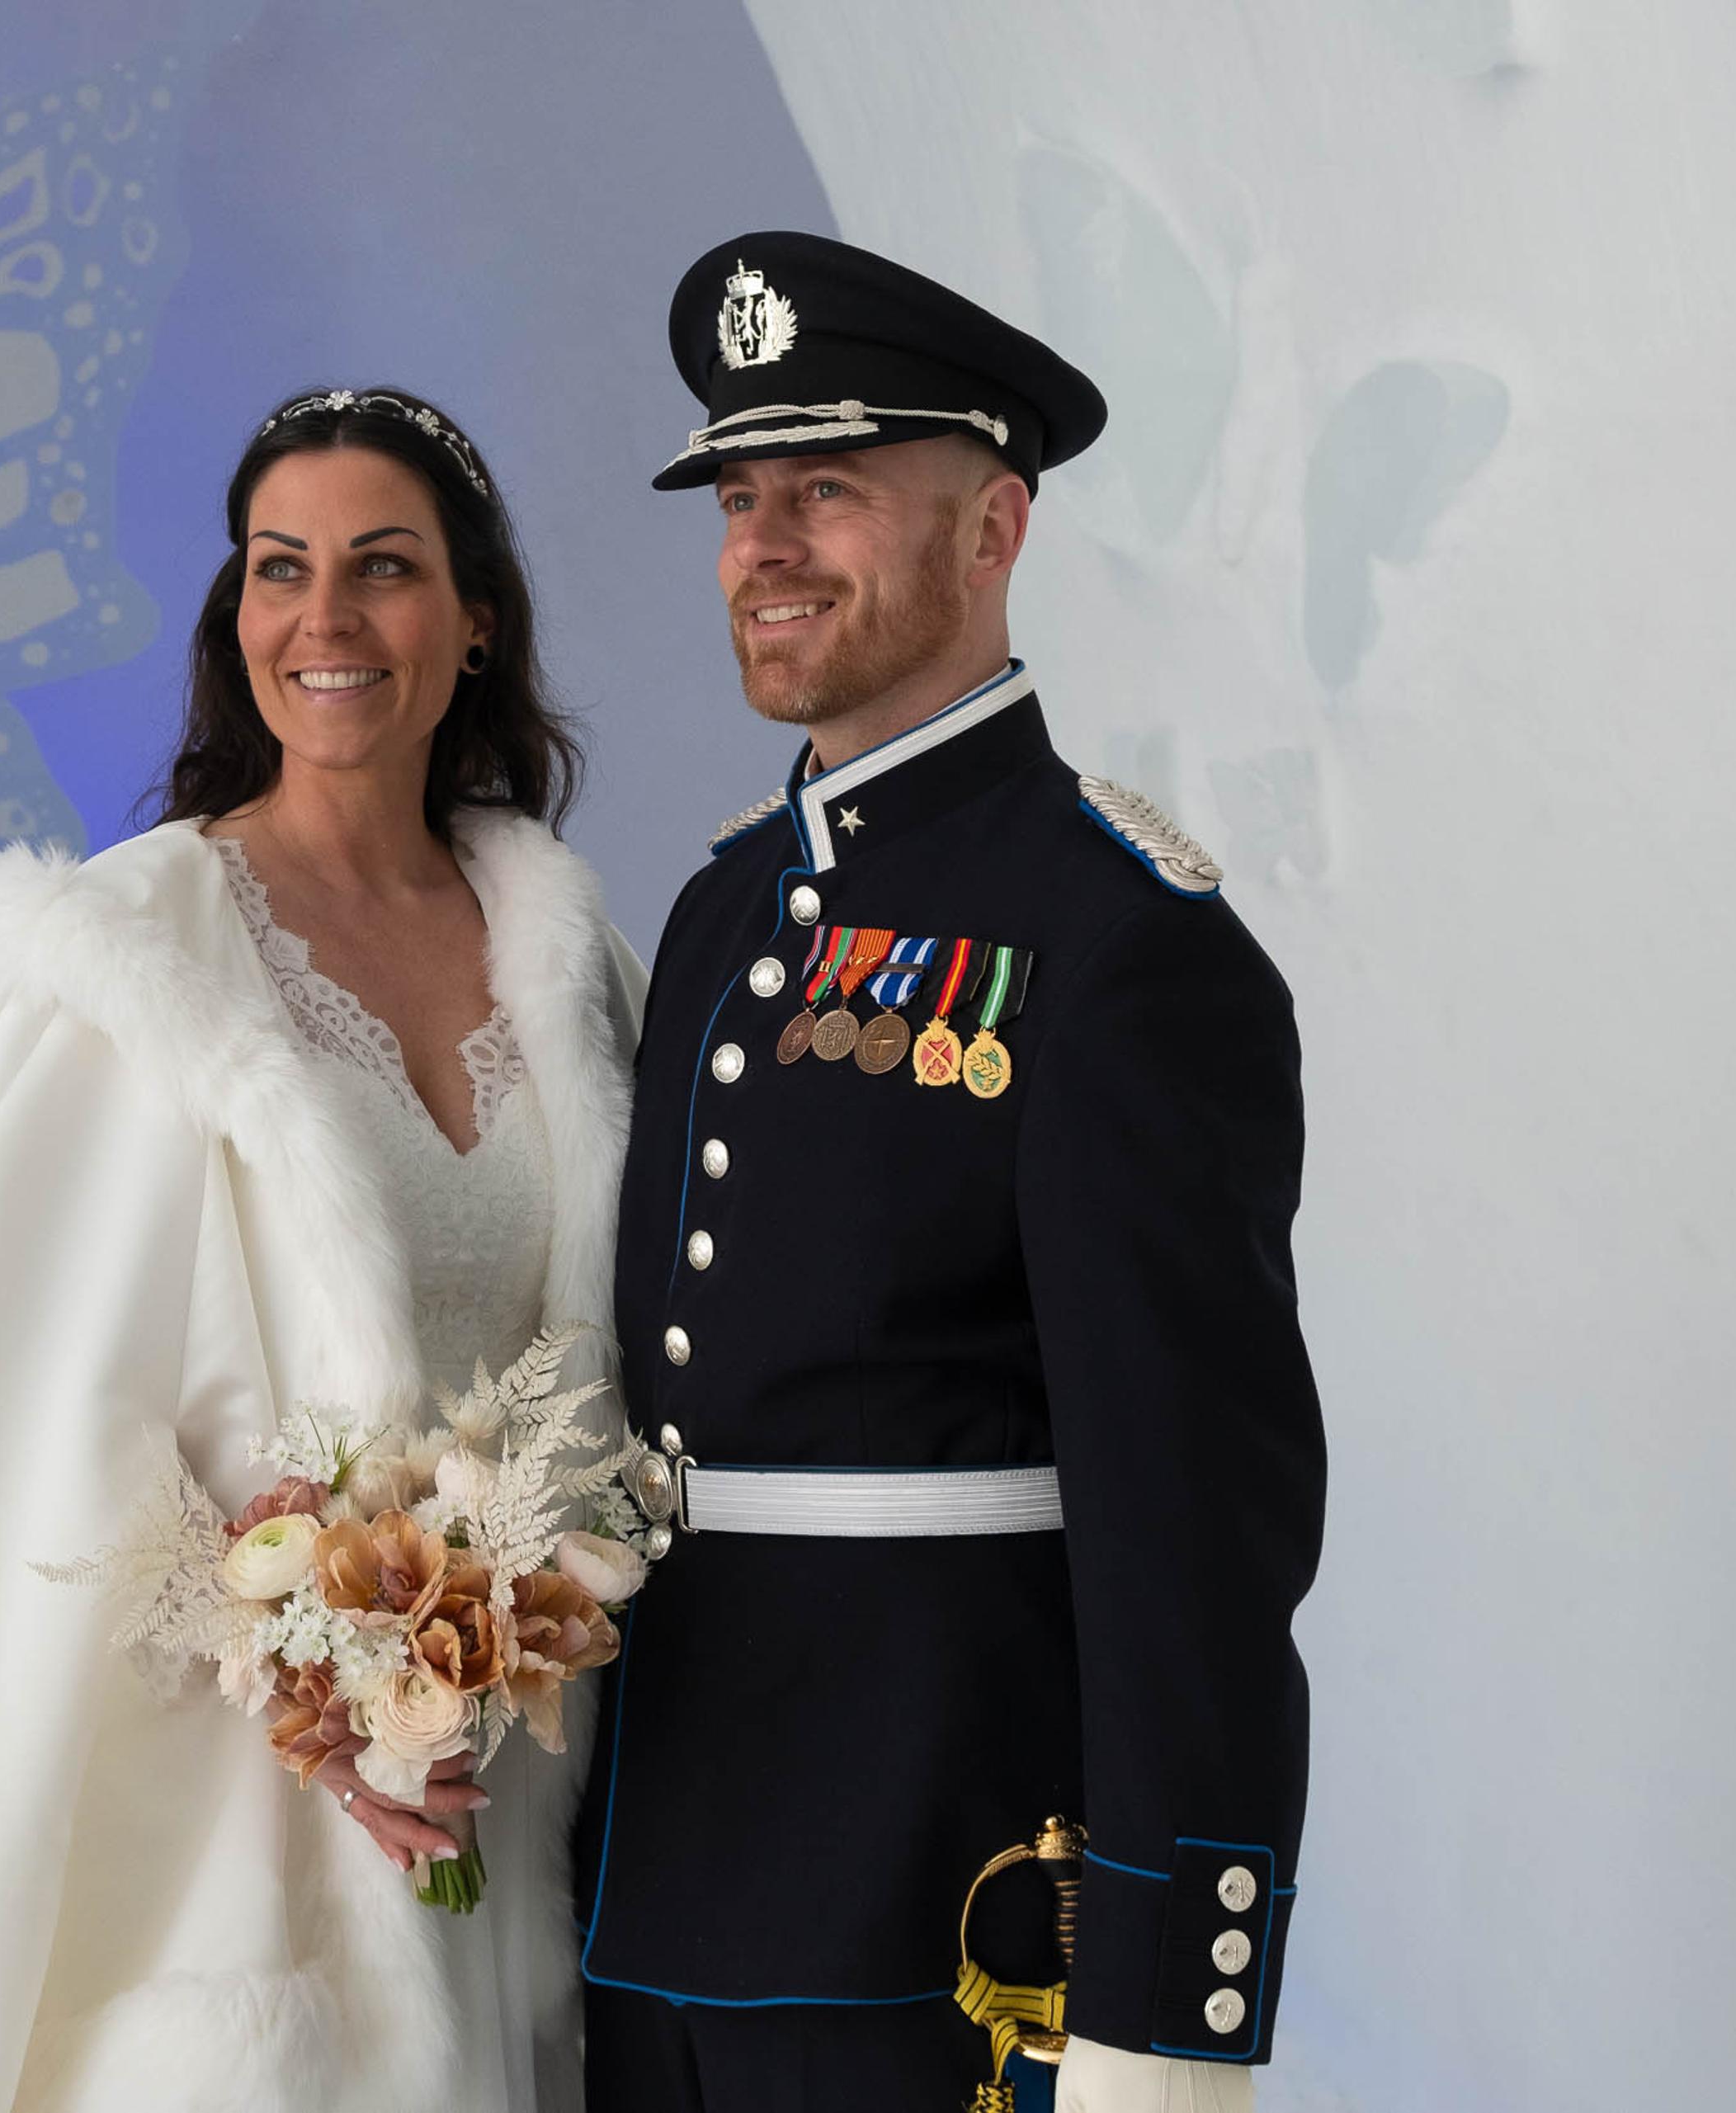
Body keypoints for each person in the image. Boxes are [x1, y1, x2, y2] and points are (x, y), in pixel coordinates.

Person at [0, 387, 642, 2113]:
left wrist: (491, 1639)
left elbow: (604, 1376)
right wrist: (300, 1658)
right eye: (280, 569)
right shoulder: (137, 968)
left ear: (477, 616)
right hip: (227, 1858)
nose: (326, 619)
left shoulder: (566, 966)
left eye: (386, 566)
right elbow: (5, 1446)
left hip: (503, 1825)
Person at [573, 233, 1326, 2113]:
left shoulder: (1122, 941)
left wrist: (1166, 2005)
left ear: (994, 527)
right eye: (741, 499)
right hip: (647, 1897)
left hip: (945, 1927)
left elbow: (1197, 1534)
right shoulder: (723, 902)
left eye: (827, 490)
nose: (764, 547)